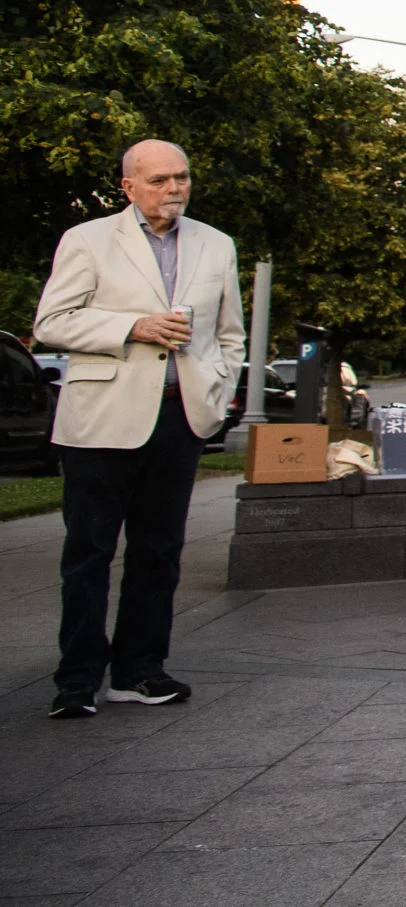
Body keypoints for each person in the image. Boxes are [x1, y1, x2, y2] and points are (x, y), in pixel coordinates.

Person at [32, 140, 245, 719]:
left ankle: (139, 672)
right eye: (159, 180)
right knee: (88, 553)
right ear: (128, 187)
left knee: (158, 552)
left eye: (182, 177)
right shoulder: (88, 240)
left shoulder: (216, 244)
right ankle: (77, 679)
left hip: (180, 418)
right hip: (101, 419)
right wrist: (134, 326)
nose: (174, 188)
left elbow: (230, 335)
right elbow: (52, 322)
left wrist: (218, 393)